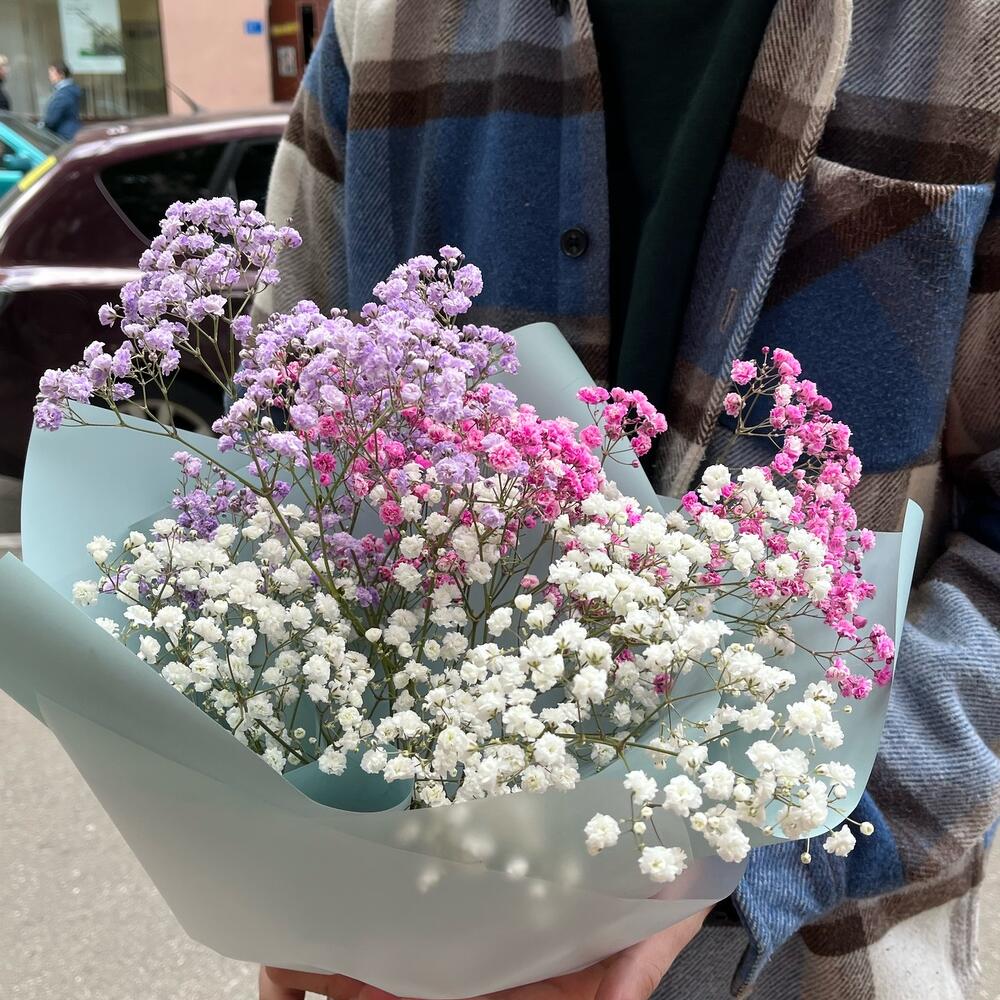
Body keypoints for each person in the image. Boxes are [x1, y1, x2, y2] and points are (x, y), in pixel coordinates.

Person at [257, 2, 1000, 998]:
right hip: (400, 948)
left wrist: (758, 827)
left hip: (815, 965)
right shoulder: (382, 26)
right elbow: (277, 455)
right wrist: (283, 847)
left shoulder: (972, 37)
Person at [41, 62, 81, 141]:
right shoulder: (68, 90)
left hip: (64, 135)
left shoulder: (64, 93)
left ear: (61, 74)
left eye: (52, 74)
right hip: (69, 133)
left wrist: (41, 126)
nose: (49, 77)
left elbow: (52, 119)